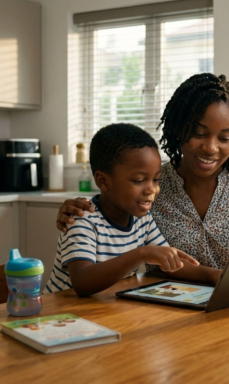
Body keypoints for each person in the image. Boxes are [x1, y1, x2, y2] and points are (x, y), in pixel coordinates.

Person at [56, 73, 229, 296]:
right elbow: (111, 201)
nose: (211, 147)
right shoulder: (156, 183)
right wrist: (74, 208)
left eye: (224, 137)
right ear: (178, 129)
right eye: (199, 133)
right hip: (168, 314)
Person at [44, 123, 198, 296]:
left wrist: (218, 277)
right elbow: (82, 282)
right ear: (103, 181)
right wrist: (141, 254)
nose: (151, 189)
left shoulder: (142, 219)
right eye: (139, 180)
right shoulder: (82, 218)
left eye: (155, 179)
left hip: (102, 310)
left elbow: (171, 265)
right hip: (61, 316)